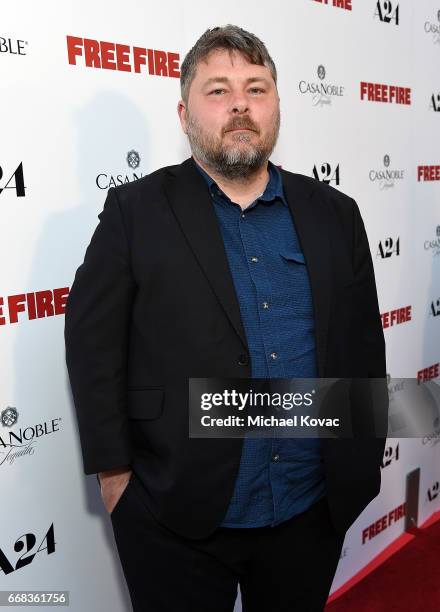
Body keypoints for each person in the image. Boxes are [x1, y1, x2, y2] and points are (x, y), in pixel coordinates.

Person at [65, 24, 388, 612]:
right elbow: (93, 349)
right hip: (175, 519)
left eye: (256, 88)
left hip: (308, 510)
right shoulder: (135, 212)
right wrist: (116, 481)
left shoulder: (337, 214)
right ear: (185, 113)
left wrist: (360, 467)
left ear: (277, 106)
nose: (240, 102)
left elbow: (364, 345)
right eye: (218, 90)